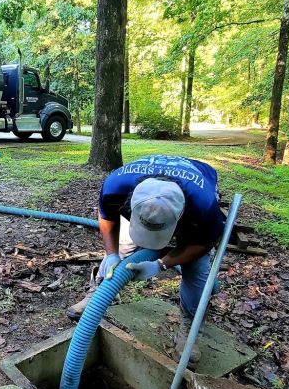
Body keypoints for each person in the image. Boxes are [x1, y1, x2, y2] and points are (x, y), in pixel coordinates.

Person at [66, 155, 225, 364]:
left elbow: (205, 243)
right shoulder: (116, 185)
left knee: (197, 270)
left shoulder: (203, 204)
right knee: (122, 248)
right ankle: (97, 292)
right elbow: (106, 218)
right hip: (142, 192)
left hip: (193, 203)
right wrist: (112, 254)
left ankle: (189, 326)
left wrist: (162, 263)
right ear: (131, 203)